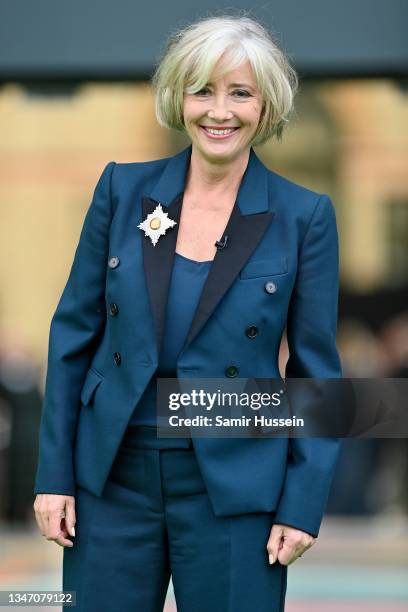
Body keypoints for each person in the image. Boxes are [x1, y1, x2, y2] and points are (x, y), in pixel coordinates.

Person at [33, 14, 342, 612]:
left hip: (236, 487)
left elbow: (317, 375)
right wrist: (53, 476)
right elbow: (73, 333)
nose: (219, 111)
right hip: (112, 479)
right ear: (178, 97)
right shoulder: (122, 191)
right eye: (202, 90)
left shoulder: (305, 217)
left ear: (266, 106)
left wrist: (302, 505)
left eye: (240, 93)